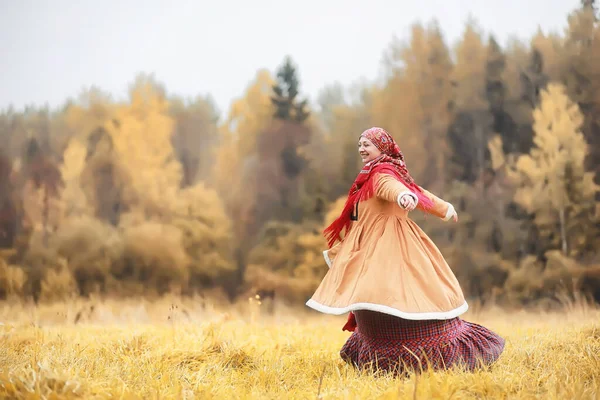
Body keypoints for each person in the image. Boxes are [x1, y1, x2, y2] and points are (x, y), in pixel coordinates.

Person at [306, 127, 505, 375]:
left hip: (389, 243)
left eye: (367, 144)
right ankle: (386, 355)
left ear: (383, 148)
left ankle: (410, 353)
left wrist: (405, 197)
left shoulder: (382, 174)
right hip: (371, 243)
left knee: (395, 291)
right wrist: (441, 207)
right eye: (360, 144)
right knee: (374, 293)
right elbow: (414, 189)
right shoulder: (372, 175)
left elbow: (397, 188)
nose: (361, 148)